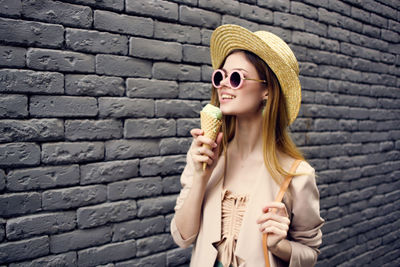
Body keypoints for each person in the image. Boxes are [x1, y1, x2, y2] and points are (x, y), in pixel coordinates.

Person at [170, 24, 324, 267]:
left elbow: (310, 253)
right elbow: (182, 237)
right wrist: (201, 177)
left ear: (267, 90)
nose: (223, 84)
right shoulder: (203, 153)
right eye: (220, 76)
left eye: (236, 77)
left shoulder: (298, 174)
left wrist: (279, 245)